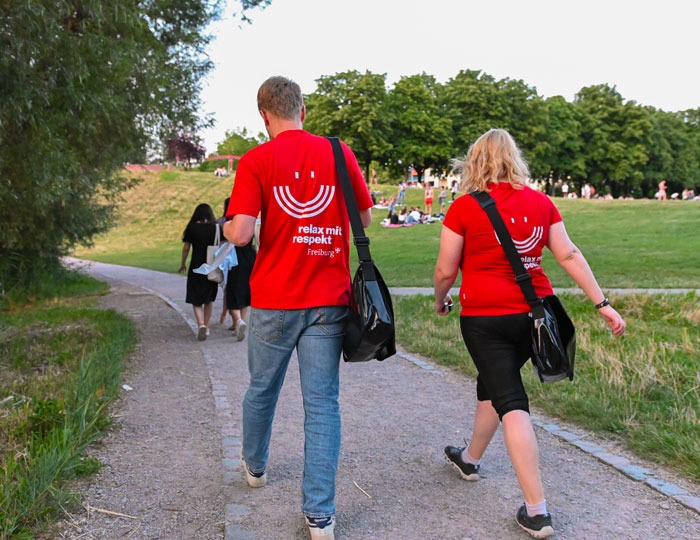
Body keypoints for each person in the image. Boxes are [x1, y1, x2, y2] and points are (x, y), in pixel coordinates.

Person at [433, 129, 626, 539]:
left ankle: (536, 512)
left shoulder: (464, 208)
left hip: (485, 318)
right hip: (535, 317)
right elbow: (568, 253)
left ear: (476, 161)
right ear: (513, 159)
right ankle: (469, 458)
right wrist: (602, 304)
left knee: (511, 401)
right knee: (495, 383)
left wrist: (440, 298)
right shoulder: (540, 202)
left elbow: (446, 268)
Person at [223, 76, 373, 540]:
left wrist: (228, 224)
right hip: (328, 298)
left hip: (273, 298)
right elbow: (363, 218)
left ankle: (255, 465)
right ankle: (320, 515)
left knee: (262, 389)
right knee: (322, 404)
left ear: (264, 116)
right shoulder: (338, 152)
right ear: (302, 111)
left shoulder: (256, 160)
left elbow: (243, 234)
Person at [178, 203, 219, 341]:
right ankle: (206, 327)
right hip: (211, 265)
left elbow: (186, 247)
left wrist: (183, 263)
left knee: (195, 296)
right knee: (209, 298)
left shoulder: (191, 227)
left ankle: (200, 323)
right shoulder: (216, 227)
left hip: (196, 265)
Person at [219, 197, 256, 341]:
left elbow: (224, 241)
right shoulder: (250, 221)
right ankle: (240, 322)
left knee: (232, 292)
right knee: (246, 292)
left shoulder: (224, 222)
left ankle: (238, 321)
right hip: (250, 258)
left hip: (233, 261)